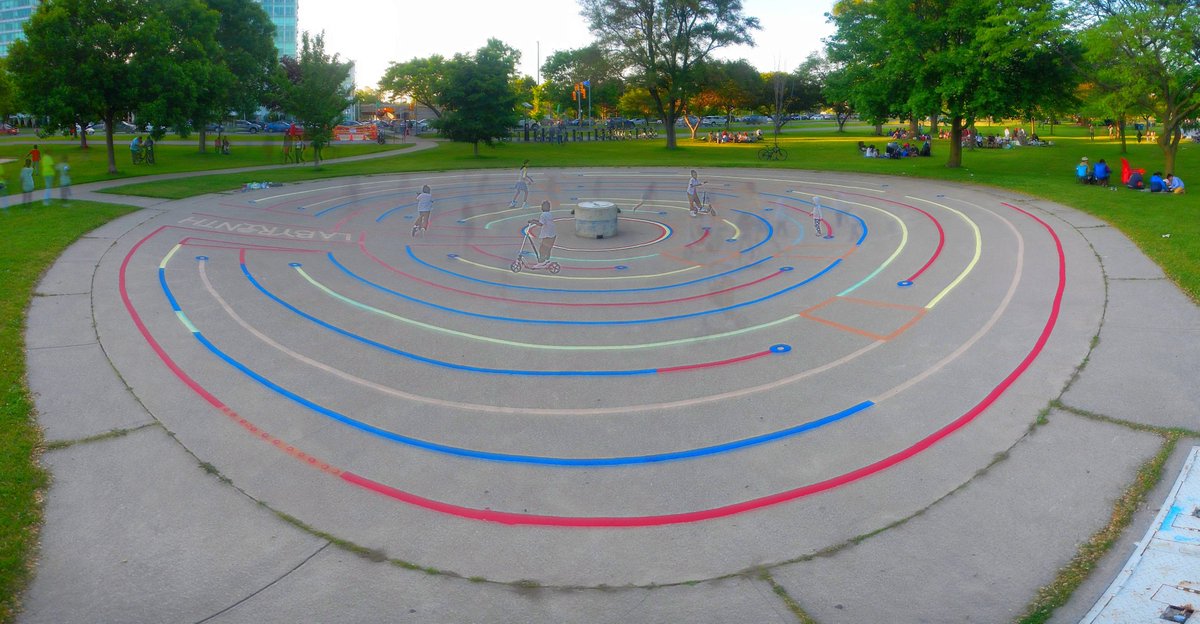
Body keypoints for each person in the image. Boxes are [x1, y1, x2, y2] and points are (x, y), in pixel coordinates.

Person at [527, 200, 557, 268]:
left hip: (547, 235)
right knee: (547, 248)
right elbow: (543, 221)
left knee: (542, 249)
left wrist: (533, 222)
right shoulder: (549, 214)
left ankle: (541, 262)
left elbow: (541, 224)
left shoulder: (543, 215)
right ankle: (545, 260)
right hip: (552, 234)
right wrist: (535, 221)